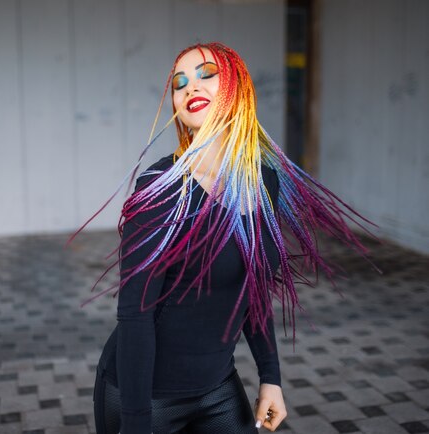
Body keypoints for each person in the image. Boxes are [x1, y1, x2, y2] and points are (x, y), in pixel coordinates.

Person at [68, 42, 378, 434]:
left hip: (217, 388)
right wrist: (136, 423)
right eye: (180, 83)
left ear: (238, 87)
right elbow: (135, 315)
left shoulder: (264, 181)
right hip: (146, 396)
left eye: (206, 75)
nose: (190, 88)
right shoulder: (161, 189)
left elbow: (254, 290)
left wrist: (271, 377)